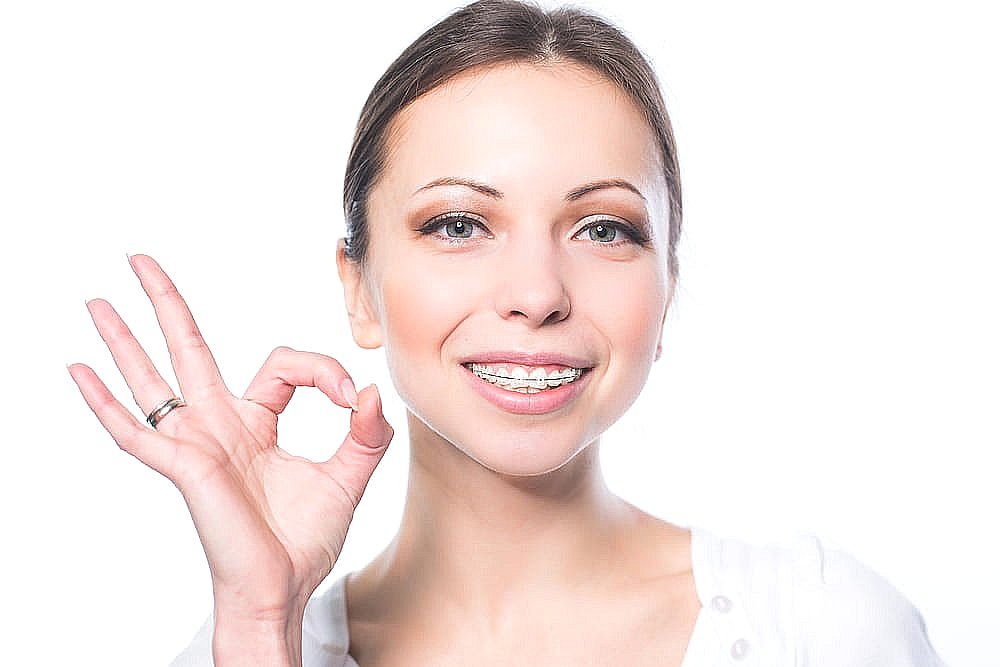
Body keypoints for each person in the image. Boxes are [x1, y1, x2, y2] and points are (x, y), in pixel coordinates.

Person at [67, 1, 947, 664]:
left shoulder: (826, 629)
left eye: (604, 228)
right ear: (359, 289)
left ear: (667, 288)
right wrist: (262, 621)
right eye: (457, 224)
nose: (536, 294)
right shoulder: (242, 645)